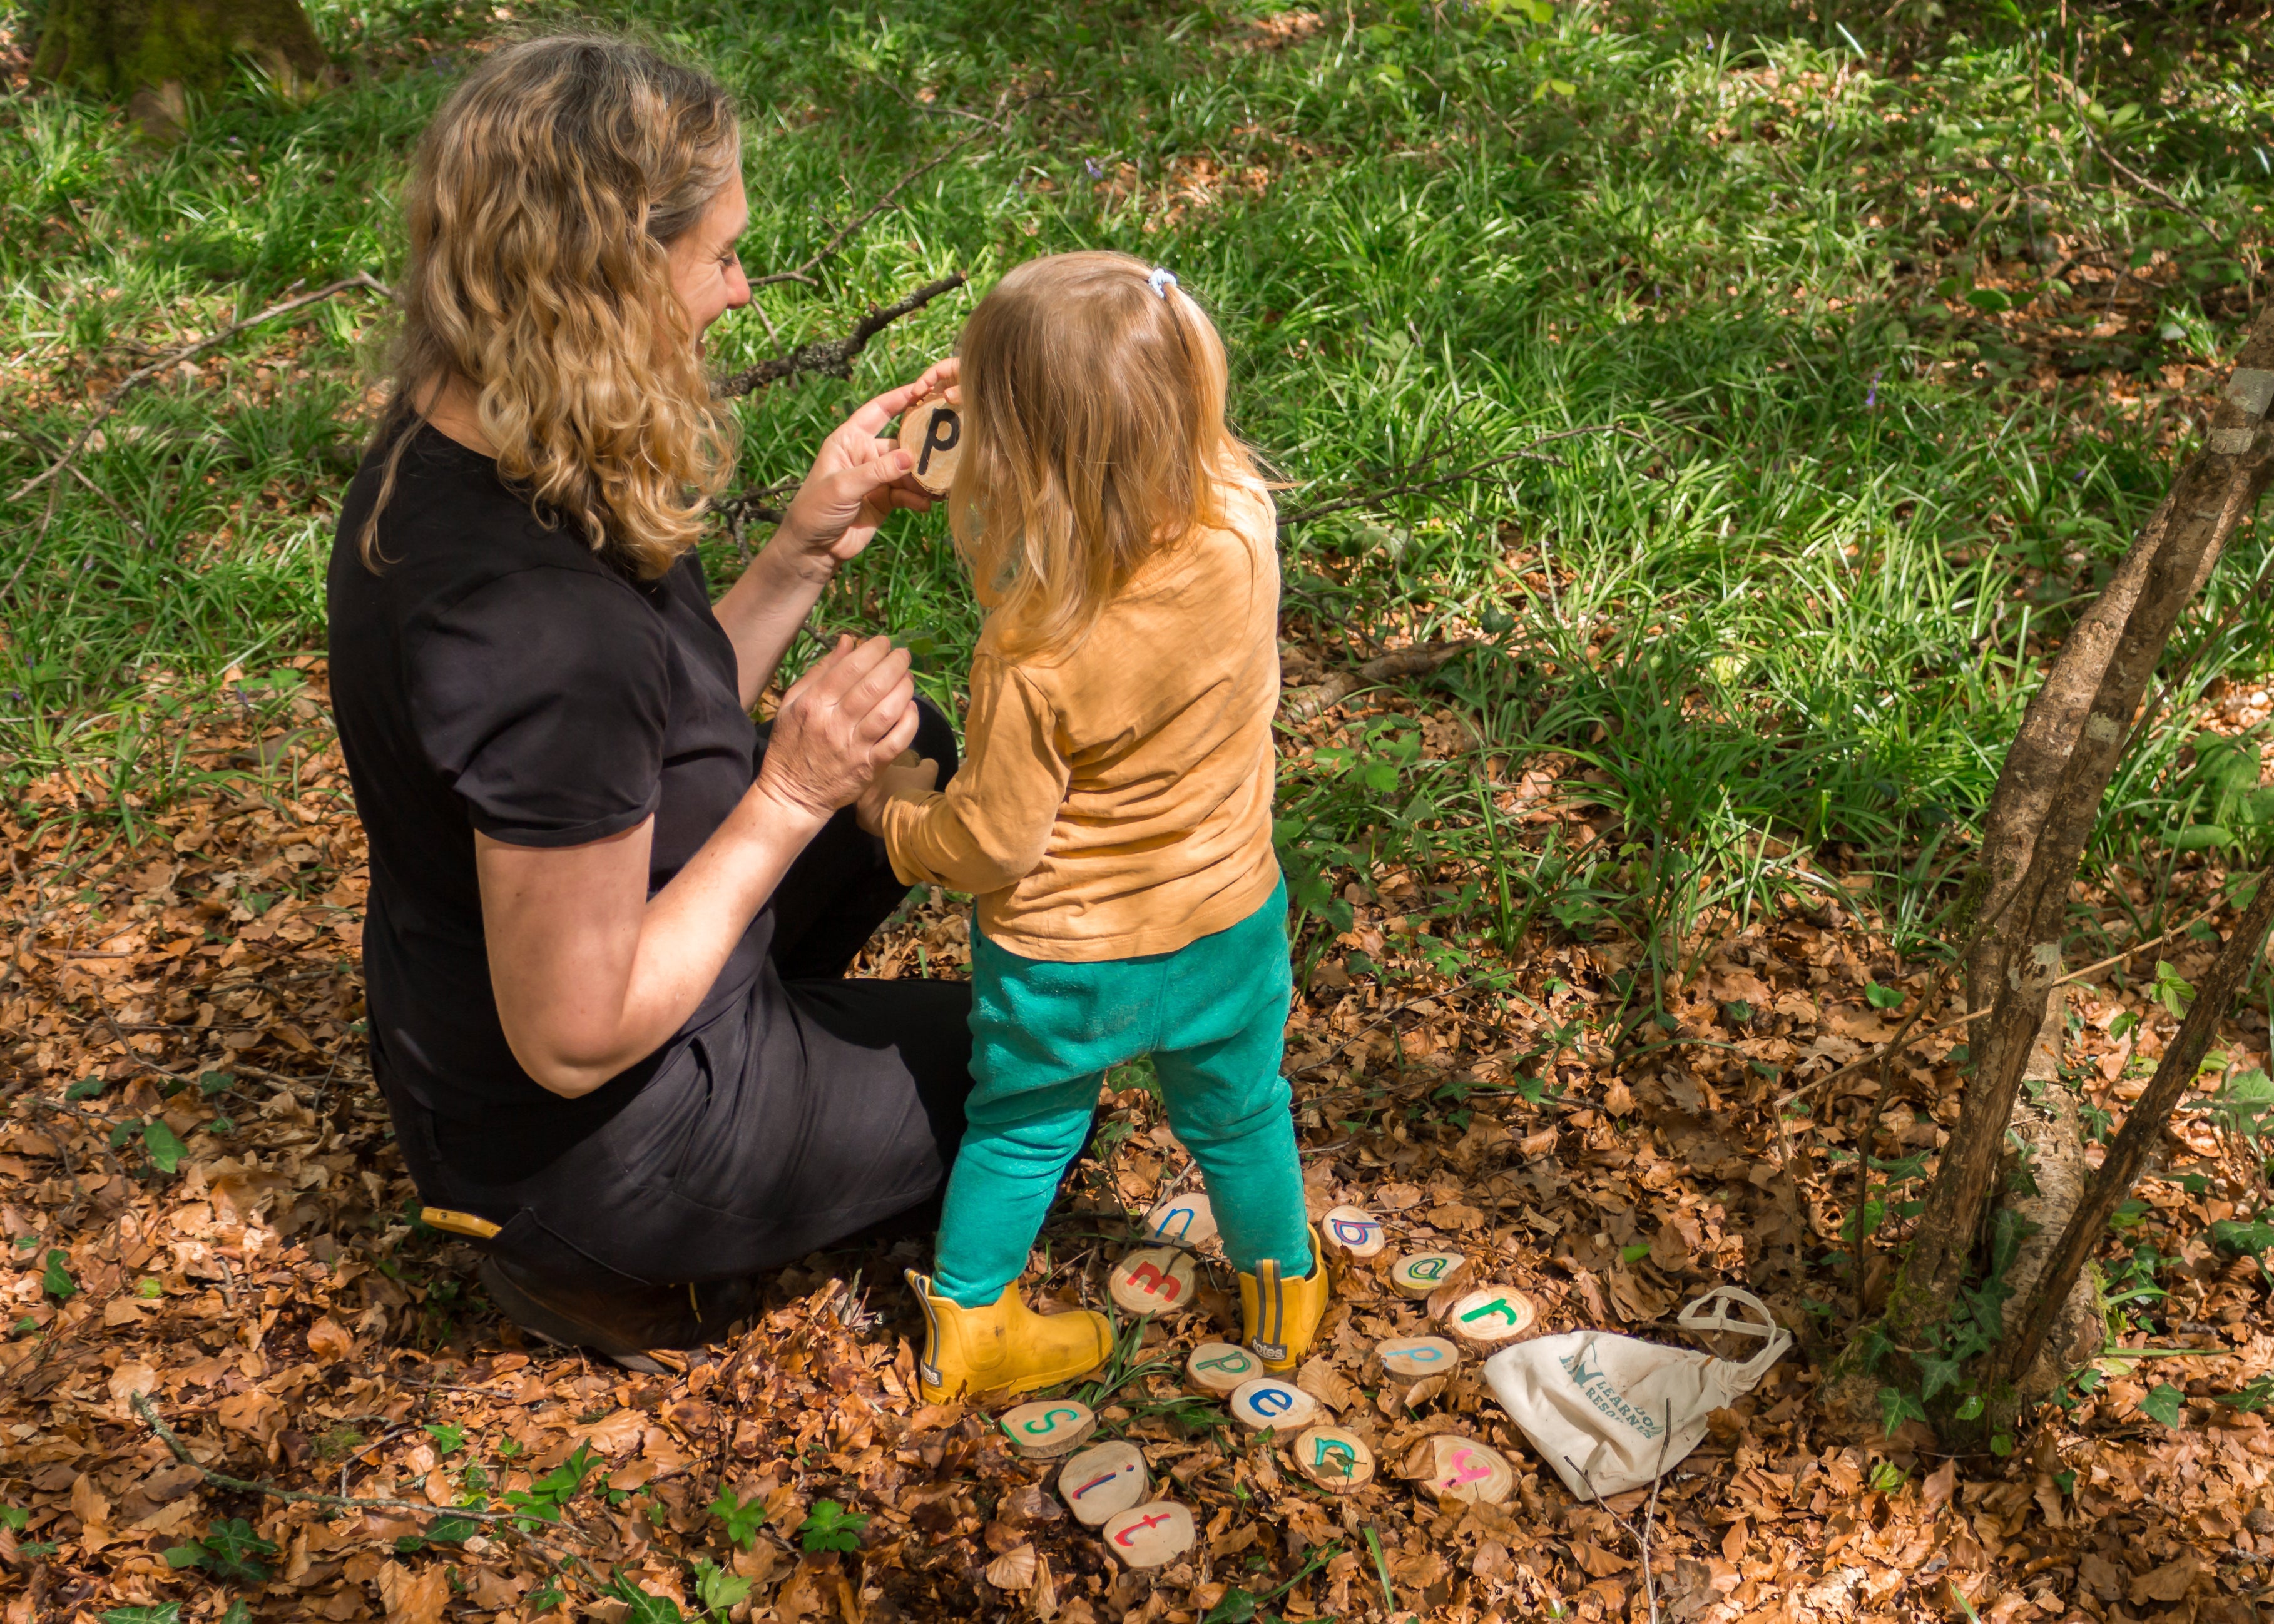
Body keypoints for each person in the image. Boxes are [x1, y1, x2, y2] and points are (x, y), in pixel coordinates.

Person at [325, 33, 972, 1364]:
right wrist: (788, 792)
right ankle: (607, 1267)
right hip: (588, 1139)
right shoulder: (535, 623)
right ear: (612, 271)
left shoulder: (471, 436)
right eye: (718, 253)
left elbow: (648, 731)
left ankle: (779, 1039)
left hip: (501, 1016)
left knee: (919, 752)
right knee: (1030, 1060)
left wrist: (799, 547)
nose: (740, 288)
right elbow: (571, 1035)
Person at [862, 253, 1326, 1402]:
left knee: (1020, 1130)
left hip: (1064, 959)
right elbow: (1135, 417)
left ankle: (971, 1330)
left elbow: (992, 846)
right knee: (1242, 1114)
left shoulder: (1034, 651)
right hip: (1224, 921)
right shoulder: (1242, 520)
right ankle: (1284, 1296)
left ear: (1022, 454)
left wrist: (892, 815)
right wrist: (1018, 389)